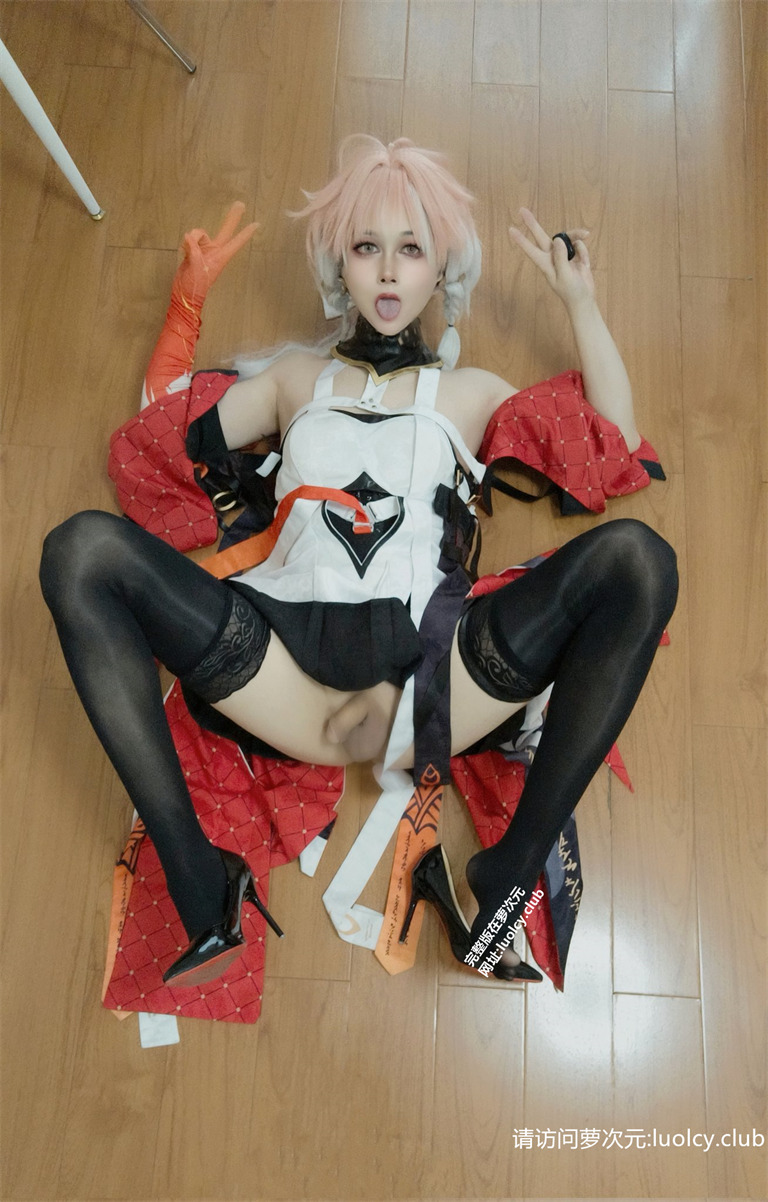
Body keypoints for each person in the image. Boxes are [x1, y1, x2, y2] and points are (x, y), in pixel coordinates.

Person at [39, 136, 677, 992]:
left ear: (440, 269)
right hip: (281, 672)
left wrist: (580, 303)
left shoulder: (475, 395)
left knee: (641, 563)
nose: (387, 270)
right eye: (367, 246)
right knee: (79, 550)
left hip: (438, 681)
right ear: (339, 262)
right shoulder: (291, 381)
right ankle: (200, 878)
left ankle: (509, 869)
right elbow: (161, 444)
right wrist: (186, 307)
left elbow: (611, 443)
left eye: (410, 249)